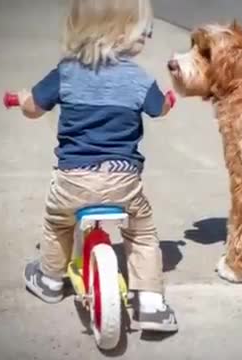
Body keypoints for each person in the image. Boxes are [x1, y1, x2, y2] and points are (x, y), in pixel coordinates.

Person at [16, 0, 178, 332]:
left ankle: (49, 279)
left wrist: (21, 100)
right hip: (124, 180)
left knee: (57, 223)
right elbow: (159, 108)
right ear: (127, 34)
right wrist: (168, 102)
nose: (146, 36)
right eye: (144, 31)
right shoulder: (137, 78)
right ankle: (151, 304)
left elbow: (33, 108)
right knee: (143, 233)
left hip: (73, 180)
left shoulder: (66, 72)